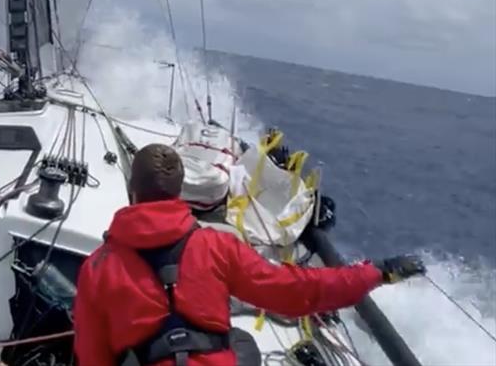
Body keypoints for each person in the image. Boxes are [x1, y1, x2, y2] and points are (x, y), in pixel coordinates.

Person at [74, 144, 425, 366]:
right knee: (242, 343)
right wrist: (375, 272)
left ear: (132, 192)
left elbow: (91, 357)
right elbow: (295, 292)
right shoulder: (217, 246)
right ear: (180, 193)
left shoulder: (97, 268)